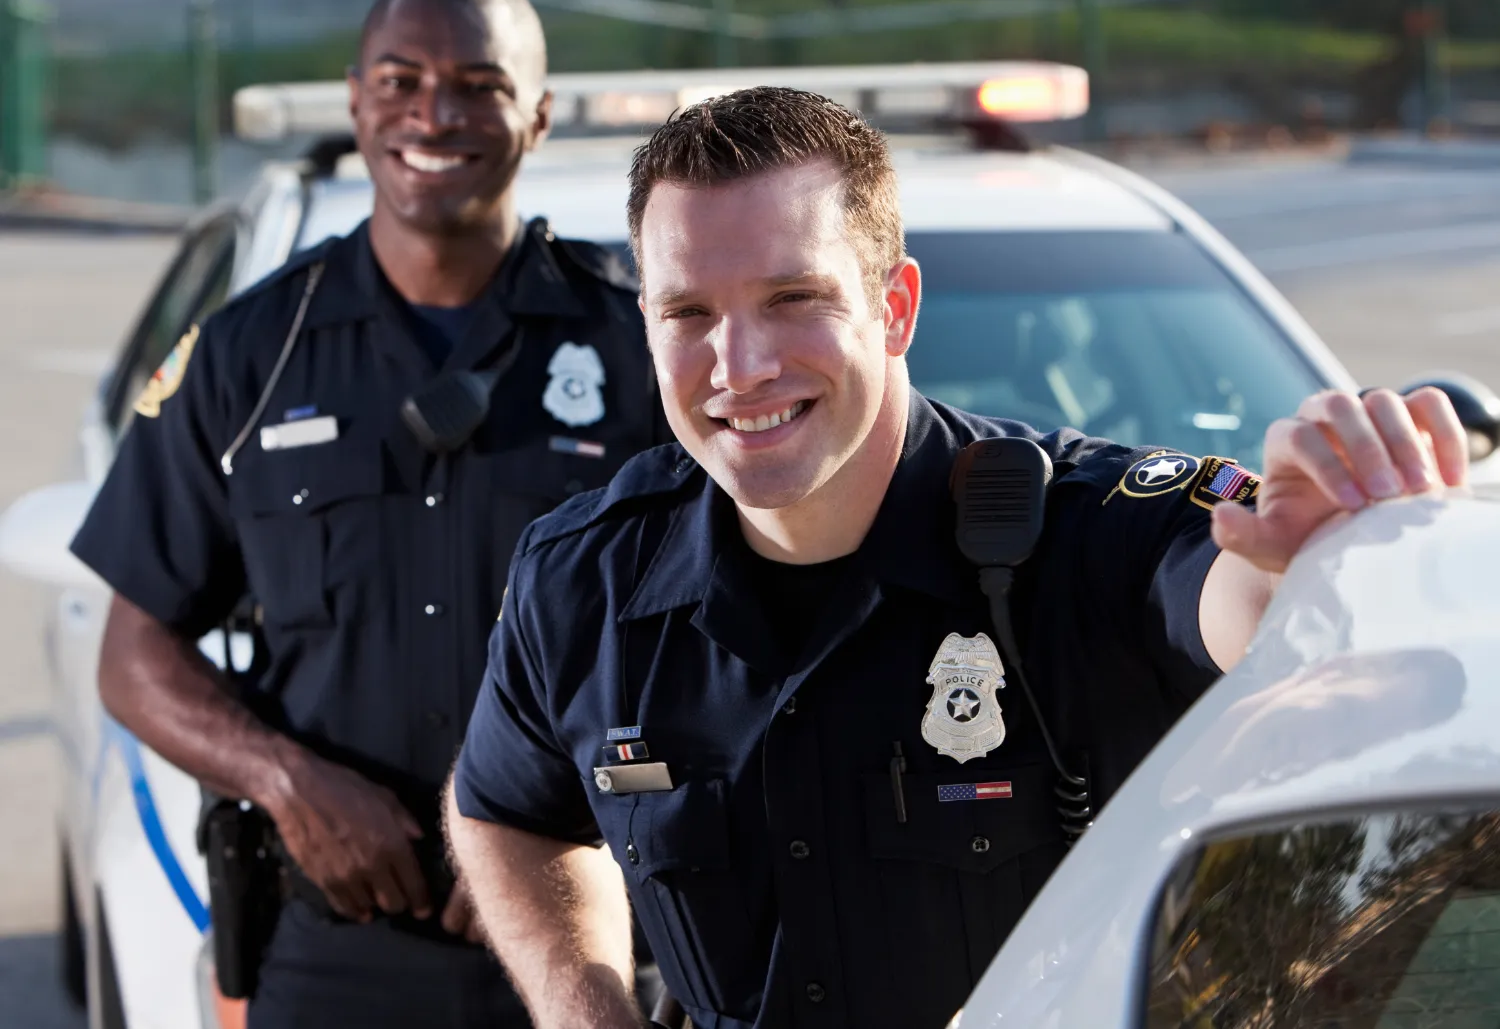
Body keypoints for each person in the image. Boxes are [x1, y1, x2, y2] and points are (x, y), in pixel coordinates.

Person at [443, 86, 1473, 1029]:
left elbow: (1241, 596)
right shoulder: (584, 579)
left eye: (794, 298)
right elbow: (503, 807)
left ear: (895, 308)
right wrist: (586, 1009)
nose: (739, 367)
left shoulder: (1080, 533)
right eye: (689, 314)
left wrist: (1311, 553)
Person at [70, 0, 665, 1029]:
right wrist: (290, 784)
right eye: (401, 79)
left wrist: (580, 821)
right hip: (340, 957)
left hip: (595, 953)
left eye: (479, 84)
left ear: (537, 114)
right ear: (356, 101)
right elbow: (134, 655)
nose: (434, 113)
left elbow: (750, 621)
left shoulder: (643, 347)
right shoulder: (251, 356)